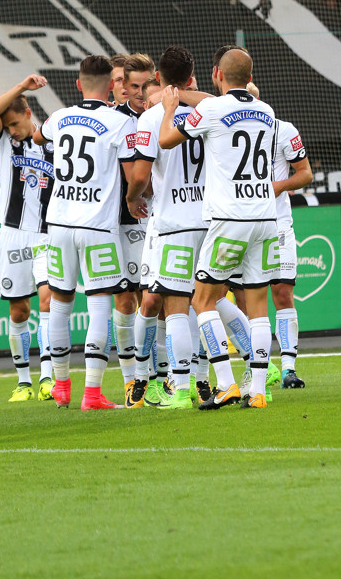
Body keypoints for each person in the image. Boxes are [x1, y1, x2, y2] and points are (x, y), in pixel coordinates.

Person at [159, 48, 278, 410]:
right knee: (257, 304)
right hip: (265, 217)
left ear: (216, 74)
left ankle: (226, 382)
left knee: (203, 299)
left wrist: (168, 109)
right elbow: (237, 101)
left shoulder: (211, 110)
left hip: (230, 219)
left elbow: (166, 140)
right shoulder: (267, 111)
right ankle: (258, 389)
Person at [33, 55, 137, 411]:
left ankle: (61, 386)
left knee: (60, 304)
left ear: (78, 84)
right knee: (98, 308)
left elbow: (37, 135)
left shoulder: (59, 117)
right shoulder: (118, 121)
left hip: (59, 223)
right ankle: (91, 394)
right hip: (97, 226)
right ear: (112, 85)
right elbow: (131, 172)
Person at [125, 46, 207, 410]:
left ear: (157, 78)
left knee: (171, 307)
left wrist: (132, 198)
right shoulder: (209, 109)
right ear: (191, 78)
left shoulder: (152, 116)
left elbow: (141, 175)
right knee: (204, 304)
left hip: (171, 222)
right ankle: (206, 380)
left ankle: (167, 384)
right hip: (208, 220)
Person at [0, 74, 54, 402]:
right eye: (7, 125)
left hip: (44, 235)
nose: (11, 129)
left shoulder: (52, 144)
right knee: (19, 311)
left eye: (14, 123)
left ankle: (48, 377)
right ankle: (23, 381)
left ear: (29, 115)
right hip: (11, 235)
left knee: (49, 301)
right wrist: (21, 88)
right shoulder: (4, 143)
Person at [248, 86, 313, 387]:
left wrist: (279, 186)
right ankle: (260, 362)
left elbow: (306, 174)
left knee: (283, 293)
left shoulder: (283, 130)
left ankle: (289, 369)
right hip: (241, 224)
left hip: (278, 224)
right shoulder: (223, 129)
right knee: (244, 297)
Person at [112, 53, 155, 400]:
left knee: (160, 299)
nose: (141, 93)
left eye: (146, 85)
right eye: (135, 86)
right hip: (122, 223)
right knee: (127, 300)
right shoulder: (116, 122)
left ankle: (162, 373)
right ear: (123, 87)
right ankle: (132, 380)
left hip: (162, 219)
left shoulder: (162, 119)